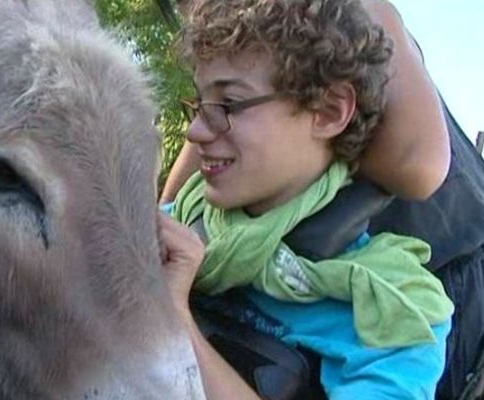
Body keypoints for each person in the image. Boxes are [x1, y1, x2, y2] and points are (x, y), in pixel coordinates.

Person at [158, 1, 484, 400]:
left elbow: (420, 163)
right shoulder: (178, 230)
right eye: (200, 103)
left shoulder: (391, 316)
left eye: (228, 105)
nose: (194, 133)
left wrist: (178, 324)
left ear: (330, 112)